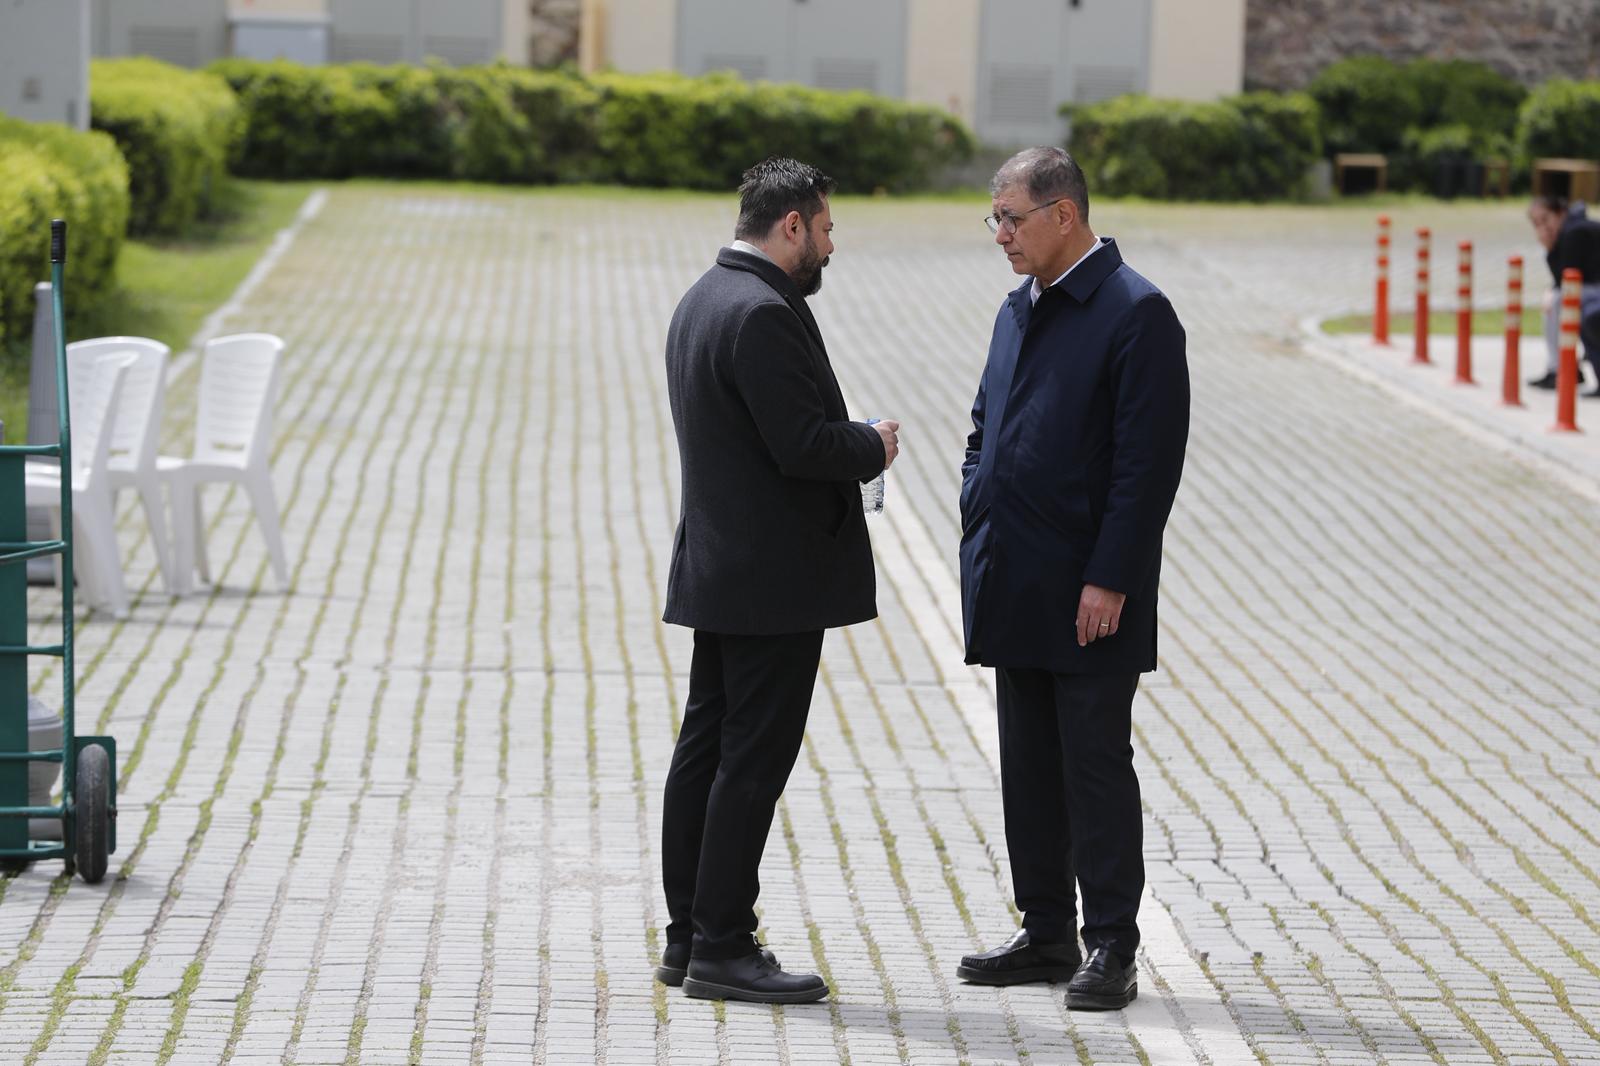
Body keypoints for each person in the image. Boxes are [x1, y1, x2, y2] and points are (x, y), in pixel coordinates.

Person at [656, 157, 900, 1005]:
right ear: (790, 225)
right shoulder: (762, 312)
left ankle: (687, 934)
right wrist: (871, 441)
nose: (831, 247)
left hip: (723, 567)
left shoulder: (702, 298)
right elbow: (802, 446)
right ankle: (722, 944)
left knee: (706, 752)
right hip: (769, 582)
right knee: (749, 763)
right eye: (826, 229)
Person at [955, 147, 1188, 1011]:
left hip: (1091, 591)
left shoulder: (1138, 314)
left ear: (1065, 214)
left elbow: (1146, 469)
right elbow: (987, 422)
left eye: (1012, 218)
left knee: (1094, 767)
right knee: (1028, 765)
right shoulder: (1019, 309)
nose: (1001, 235)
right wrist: (977, 501)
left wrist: (1112, 577)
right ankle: (1047, 930)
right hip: (1013, 574)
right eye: (996, 219)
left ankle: (1112, 947)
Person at [1526, 196, 1600, 396]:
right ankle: (1560, 368)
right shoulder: (1572, 229)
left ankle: (1560, 369)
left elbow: (1567, 277)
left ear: (1560, 213)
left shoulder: (1575, 233)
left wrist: (1550, 250)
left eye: (1545, 219)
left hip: (1593, 291)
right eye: (1537, 223)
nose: (1543, 228)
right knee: (1558, 299)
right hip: (1591, 290)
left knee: (1559, 300)